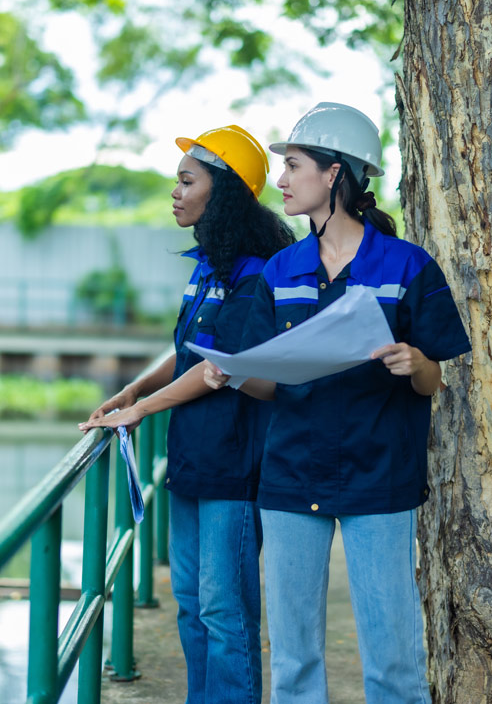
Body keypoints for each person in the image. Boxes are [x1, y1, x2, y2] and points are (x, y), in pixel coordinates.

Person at [204, 102, 472, 704]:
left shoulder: (407, 265)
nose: (282, 181)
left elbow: (433, 381)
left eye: (293, 165)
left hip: (381, 477)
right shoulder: (280, 271)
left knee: (394, 660)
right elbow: (266, 380)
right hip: (291, 476)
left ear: (334, 175)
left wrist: (417, 363)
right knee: (294, 660)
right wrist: (236, 374)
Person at [79, 124, 295, 704]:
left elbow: (221, 366)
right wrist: (133, 391)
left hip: (234, 464)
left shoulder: (256, 274)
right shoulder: (209, 266)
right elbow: (189, 351)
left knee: (226, 613)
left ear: (222, 191)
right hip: (192, 460)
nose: (175, 191)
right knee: (193, 607)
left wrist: (142, 411)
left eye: (186, 180)